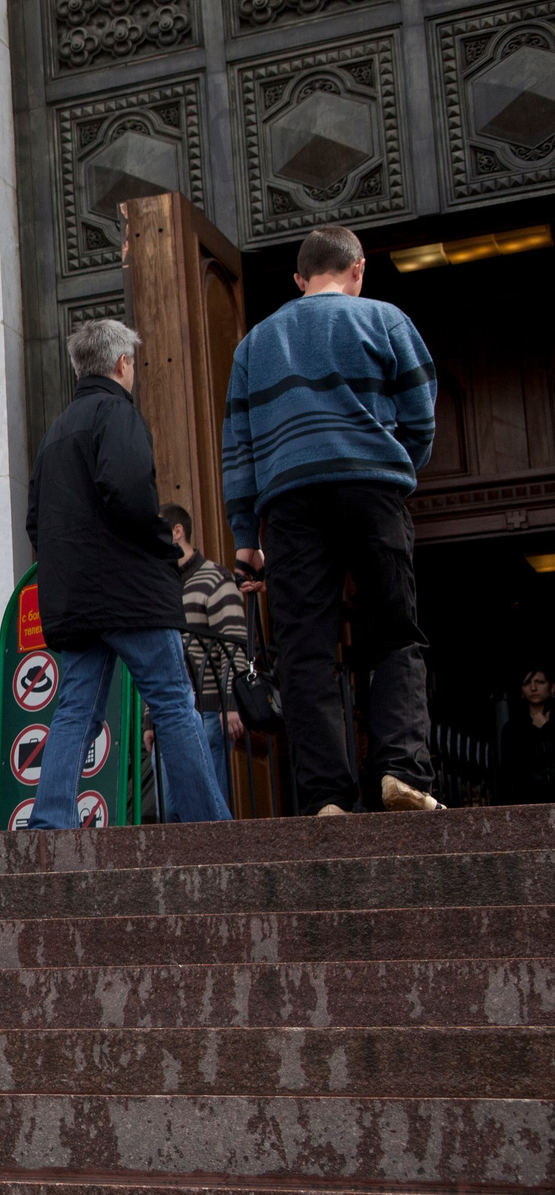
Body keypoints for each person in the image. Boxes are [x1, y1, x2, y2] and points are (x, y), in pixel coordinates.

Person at [221, 225, 443, 816]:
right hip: (372, 486)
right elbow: (421, 413)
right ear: (358, 268)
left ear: (299, 281)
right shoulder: (385, 319)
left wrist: (246, 540)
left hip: (290, 502)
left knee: (305, 648)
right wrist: (399, 467)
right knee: (394, 632)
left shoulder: (254, 345)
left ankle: (326, 798)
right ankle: (400, 770)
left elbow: (238, 450)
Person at [23, 319, 231, 827]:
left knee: (75, 708)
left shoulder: (57, 431)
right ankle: (209, 823)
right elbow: (132, 493)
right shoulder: (117, 413)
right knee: (174, 703)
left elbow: (35, 520)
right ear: (122, 363)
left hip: (75, 598)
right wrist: (163, 545)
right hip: (131, 593)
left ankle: (50, 821)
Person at [162, 504, 252, 805]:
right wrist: (150, 721)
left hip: (210, 712)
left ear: (178, 532)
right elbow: (161, 657)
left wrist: (231, 704)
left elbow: (233, 644)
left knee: (208, 802)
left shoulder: (215, 578)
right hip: (172, 715)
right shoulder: (164, 586)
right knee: (172, 810)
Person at [495, 668, 555, 806]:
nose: (533, 688)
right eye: (527, 683)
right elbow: (509, 771)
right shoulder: (513, 728)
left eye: (539, 682)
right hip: (527, 801)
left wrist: (546, 729)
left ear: (552, 687)